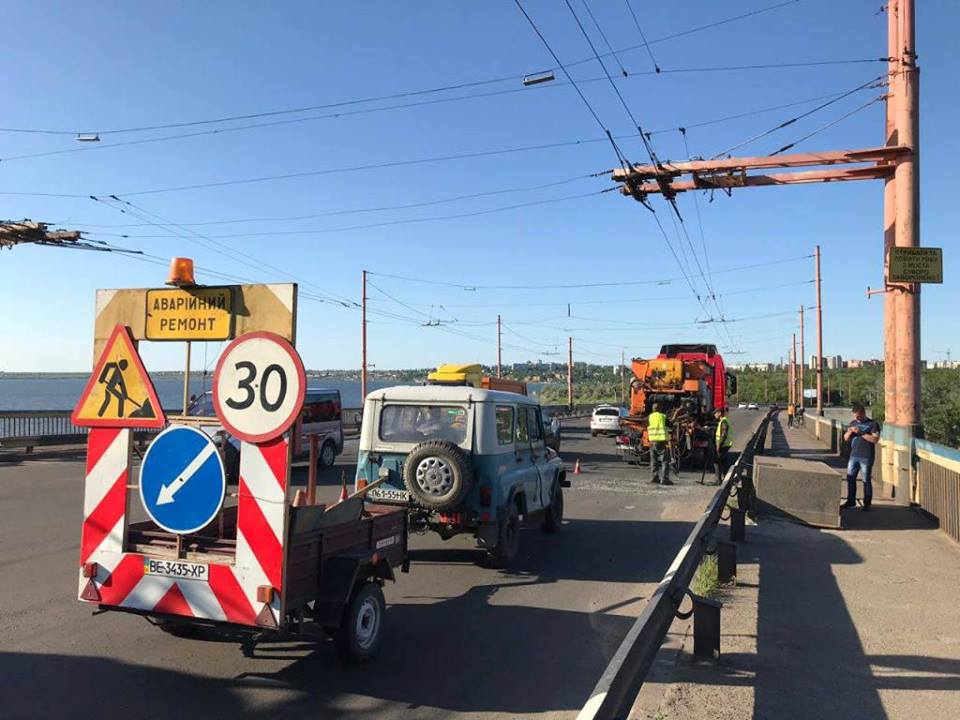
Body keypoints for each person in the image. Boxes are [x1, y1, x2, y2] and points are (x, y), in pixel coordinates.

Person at [841, 404, 880, 511]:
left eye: (858, 416)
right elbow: (845, 438)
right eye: (854, 416)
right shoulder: (853, 423)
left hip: (866, 456)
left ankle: (867, 504)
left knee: (866, 480)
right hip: (853, 455)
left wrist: (861, 432)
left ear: (863, 413)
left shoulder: (872, 424)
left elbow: (875, 440)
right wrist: (849, 432)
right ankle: (851, 501)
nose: (856, 419)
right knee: (850, 478)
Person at [647, 403, 673, 486]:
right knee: (665, 460)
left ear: (653, 409)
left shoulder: (650, 417)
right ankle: (665, 479)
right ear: (660, 409)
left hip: (652, 441)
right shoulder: (662, 416)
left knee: (654, 460)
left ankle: (654, 477)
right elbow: (670, 425)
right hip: (661, 441)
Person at [714, 408, 733, 484]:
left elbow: (724, 435)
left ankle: (719, 480)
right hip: (725, 445)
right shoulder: (724, 420)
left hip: (723, 445)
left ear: (719, 413)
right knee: (724, 462)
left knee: (717, 461)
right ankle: (726, 479)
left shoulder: (724, 421)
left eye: (715, 413)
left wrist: (719, 445)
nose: (714, 415)